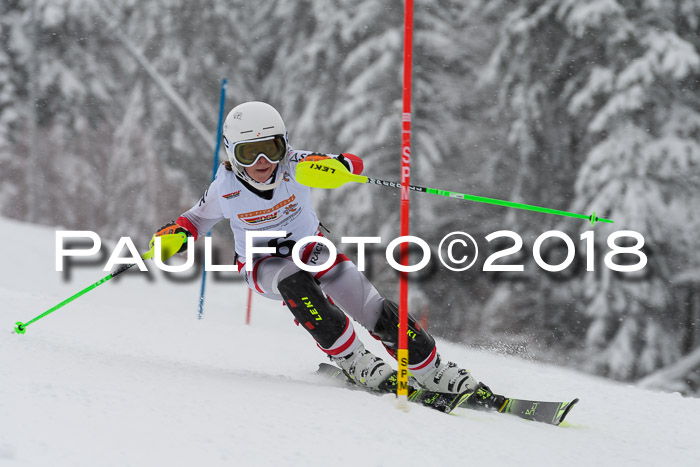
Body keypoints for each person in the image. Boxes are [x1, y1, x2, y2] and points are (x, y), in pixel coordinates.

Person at [155, 101, 502, 404]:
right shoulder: (225, 188)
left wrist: (342, 168)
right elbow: (195, 220)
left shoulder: (297, 165)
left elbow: (350, 162)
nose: (263, 161)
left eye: (272, 148)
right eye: (250, 152)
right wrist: (176, 234)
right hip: (261, 263)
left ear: (284, 144)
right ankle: (352, 358)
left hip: (313, 249)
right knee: (294, 280)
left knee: (370, 305)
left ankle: (430, 369)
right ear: (232, 153)